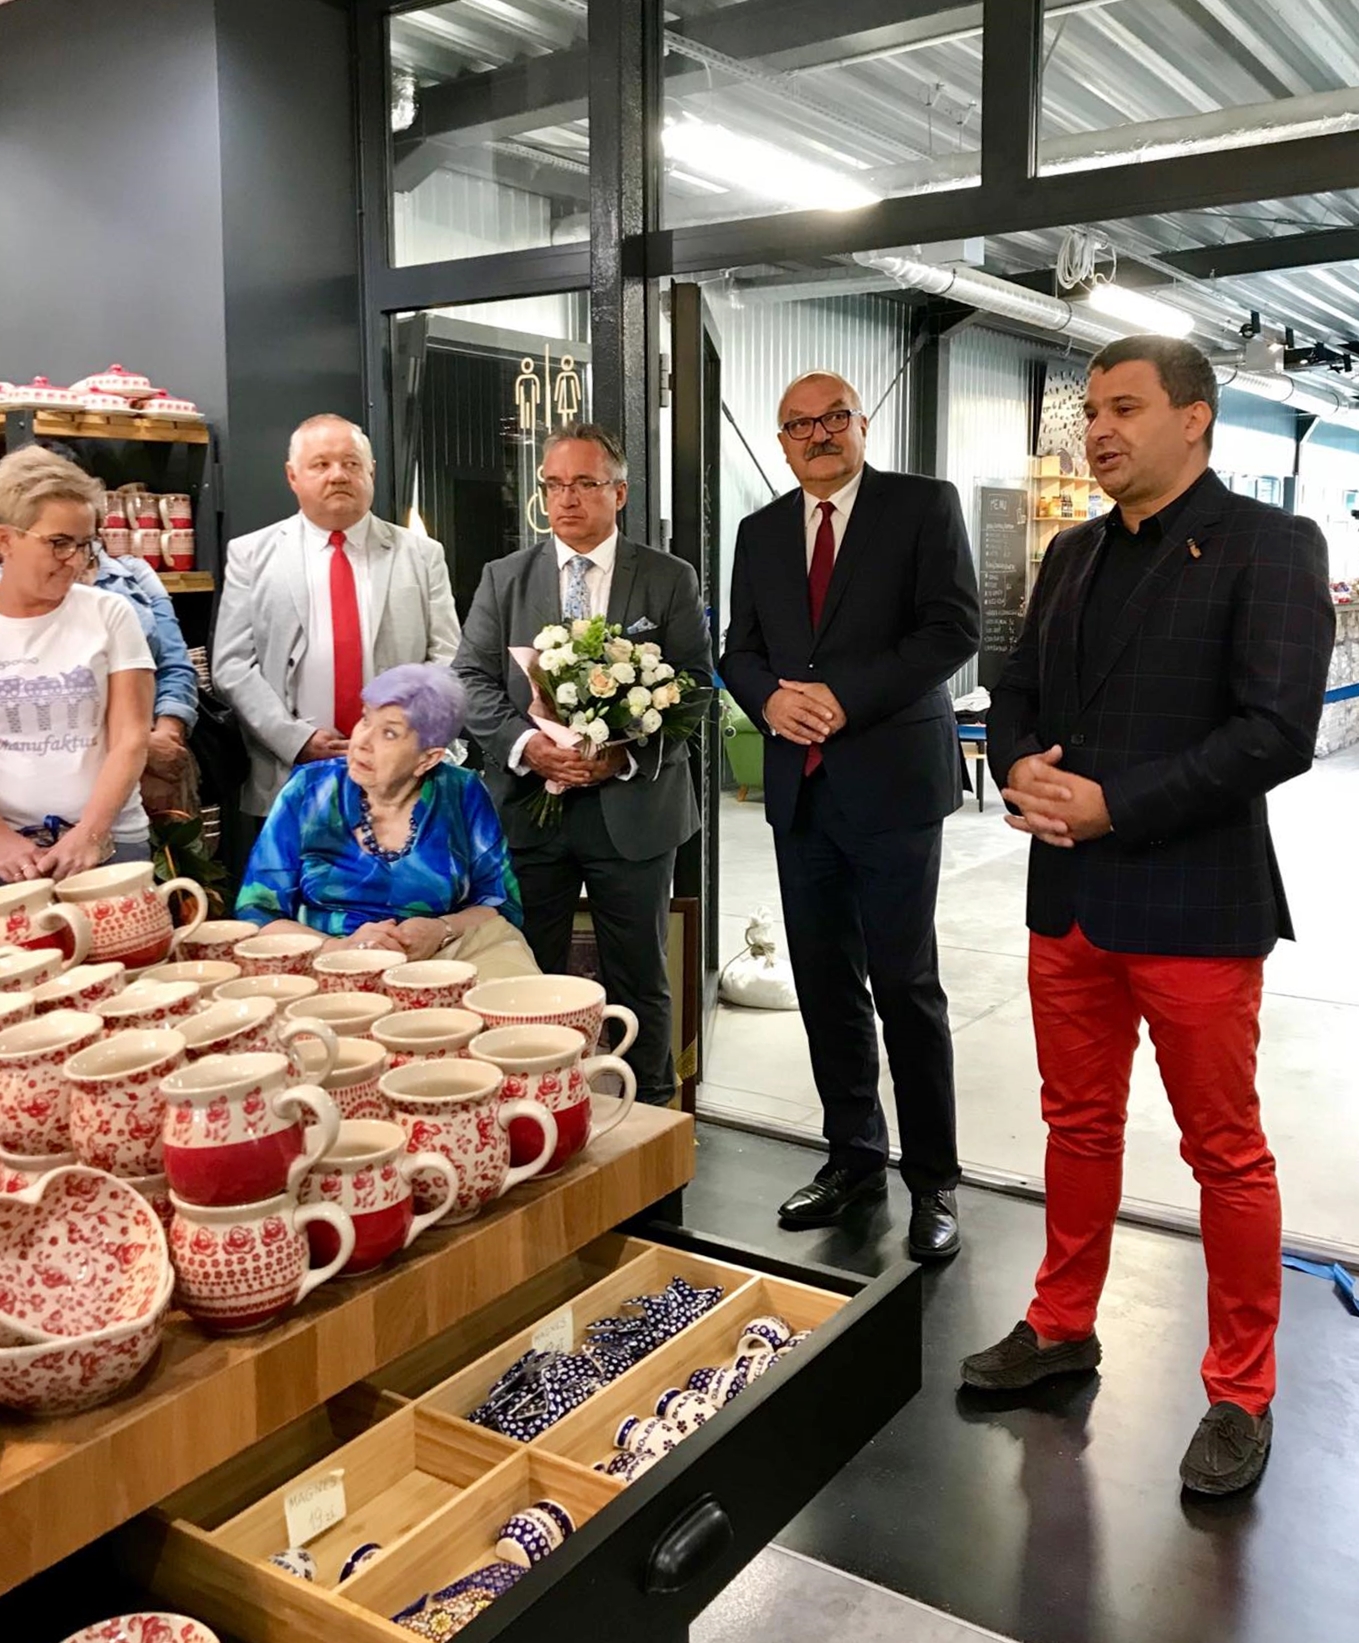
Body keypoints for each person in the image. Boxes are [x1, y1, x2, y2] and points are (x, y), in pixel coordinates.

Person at [961, 336, 1335, 1497]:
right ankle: (1061, 1322)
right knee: (1075, 1123)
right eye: (1091, 411)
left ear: (1195, 417)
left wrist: (1114, 804)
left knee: (1224, 1149)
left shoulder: (1270, 545)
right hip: (1069, 900)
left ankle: (1240, 1387)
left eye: (1124, 407)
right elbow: (1014, 686)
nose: (1099, 430)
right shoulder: (1073, 551)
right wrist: (1019, 765)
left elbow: (1276, 731)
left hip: (1191, 903)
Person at [720, 372, 980, 1256]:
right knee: (825, 982)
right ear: (782, 442)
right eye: (799, 425)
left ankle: (934, 1180)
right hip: (801, 789)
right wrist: (769, 701)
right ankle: (852, 1157)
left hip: (892, 785)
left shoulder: (921, 506)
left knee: (905, 985)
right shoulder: (760, 531)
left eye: (834, 417)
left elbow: (951, 630)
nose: (818, 434)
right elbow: (739, 650)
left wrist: (842, 696)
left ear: (862, 425)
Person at [455, 423, 713, 1106]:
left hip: (633, 812)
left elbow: (694, 687)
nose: (565, 499)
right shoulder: (504, 578)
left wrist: (621, 758)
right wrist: (526, 745)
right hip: (530, 811)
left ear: (619, 492)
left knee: (639, 978)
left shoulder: (667, 578)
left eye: (584, 483)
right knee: (525, 976)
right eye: (554, 485)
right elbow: (470, 679)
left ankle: (648, 1115)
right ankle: (536, 1110)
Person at [212, 414, 462, 824]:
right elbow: (232, 664)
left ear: (371, 472)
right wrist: (294, 739)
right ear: (292, 476)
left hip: (402, 775)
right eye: (321, 464)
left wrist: (402, 734)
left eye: (350, 463)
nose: (338, 475)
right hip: (291, 772)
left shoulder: (421, 555)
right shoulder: (252, 555)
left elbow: (448, 657)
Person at [235, 663, 535, 978]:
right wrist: (339, 948)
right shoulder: (310, 788)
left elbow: (500, 906)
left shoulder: (462, 792)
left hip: (439, 956)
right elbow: (257, 910)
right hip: (324, 954)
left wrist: (441, 929)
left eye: (389, 733)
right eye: (365, 719)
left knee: (511, 988)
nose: (362, 742)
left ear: (428, 758)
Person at [0, 446, 154, 878]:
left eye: (85, 544)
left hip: (110, 841)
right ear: (5, 540)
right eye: (59, 543)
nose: (75, 560)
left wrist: (91, 832)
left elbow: (130, 738)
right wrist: (3, 839)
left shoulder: (110, 613)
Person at [88, 545, 200, 816]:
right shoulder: (12, 584)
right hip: (77, 768)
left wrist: (167, 738)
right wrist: (142, 748)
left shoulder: (133, 573)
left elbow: (175, 664)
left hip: (161, 757)